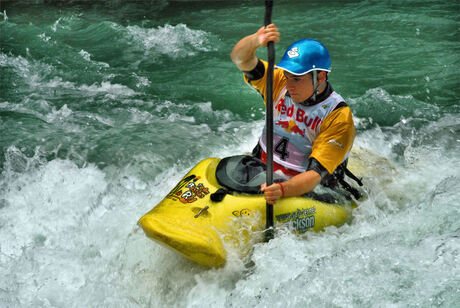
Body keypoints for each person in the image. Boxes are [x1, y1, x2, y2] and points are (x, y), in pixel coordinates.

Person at [230, 24, 359, 205]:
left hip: (310, 189)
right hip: (262, 169)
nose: (289, 85)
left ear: (320, 77)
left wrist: (283, 190)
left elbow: (315, 176)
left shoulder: (337, 116)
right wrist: (255, 40)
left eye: (297, 79)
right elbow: (239, 58)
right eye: (288, 76)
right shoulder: (278, 80)